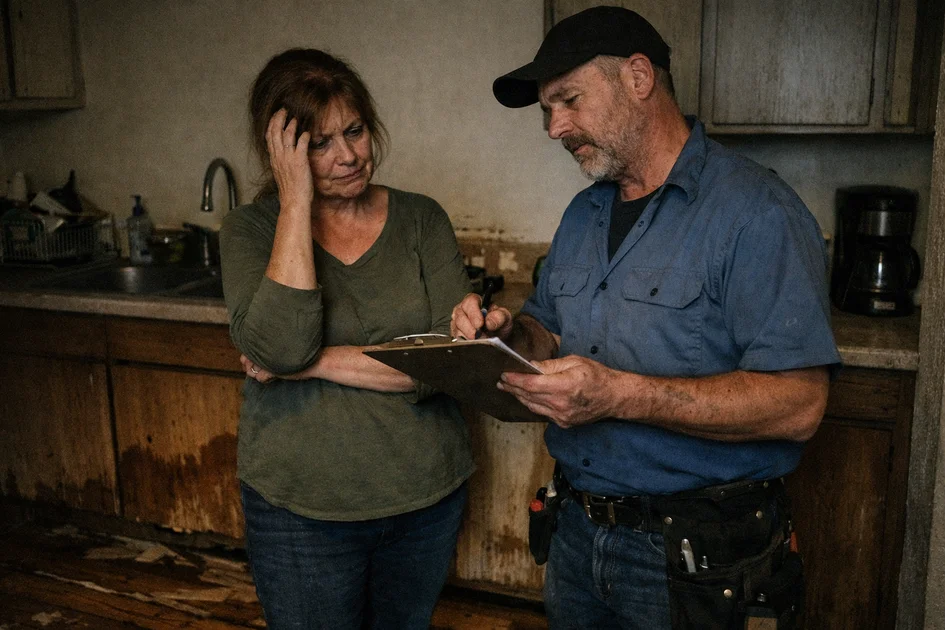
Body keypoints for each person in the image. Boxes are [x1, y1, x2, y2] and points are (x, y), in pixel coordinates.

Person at [450, 7, 841, 630]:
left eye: (568, 101)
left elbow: (799, 405)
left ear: (638, 77)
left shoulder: (757, 213)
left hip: (700, 556)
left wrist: (618, 396)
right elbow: (545, 328)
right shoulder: (583, 214)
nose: (555, 128)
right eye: (547, 110)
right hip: (576, 532)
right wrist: (506, 335)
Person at [220, 48, 475, 630]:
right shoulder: (251, 230)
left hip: (424, 498)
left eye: (355, 131)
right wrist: (295, 203)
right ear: (280, 152)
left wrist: (309, 365)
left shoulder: (421, 219)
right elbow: (279, 345)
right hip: (300, 510)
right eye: (320, 143)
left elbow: (444, 365)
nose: (349, 156)